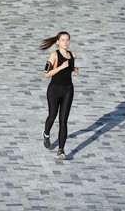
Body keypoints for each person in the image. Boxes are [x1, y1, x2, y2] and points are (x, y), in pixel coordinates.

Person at [40, 31, 79, 159]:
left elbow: (70, 68)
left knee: (63, 120)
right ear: (58, 42)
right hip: (54, 90)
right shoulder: (54, 55)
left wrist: (74, 69)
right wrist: (61, 67)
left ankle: (61, 150)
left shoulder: (72, 55)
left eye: (67, 40)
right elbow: (46, 74)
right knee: (52, 116)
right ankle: (46, 134)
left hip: (68, 90)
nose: (66, 42)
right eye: (63, 40)